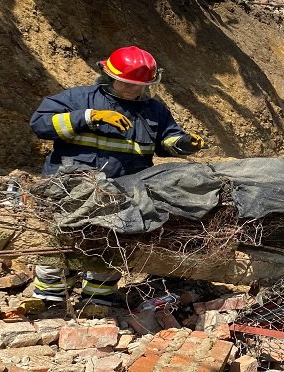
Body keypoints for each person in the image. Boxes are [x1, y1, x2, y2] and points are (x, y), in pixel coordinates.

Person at [29, 46, 208, 307]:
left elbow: (166, 139)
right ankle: (49, 298)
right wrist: (88, 117)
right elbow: (40, 124)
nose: (132, 89)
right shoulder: (79, 99)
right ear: (108, 75)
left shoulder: (153, 110)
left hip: (124, 189)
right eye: (126, 83)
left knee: (112, 241)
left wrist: (185, 143)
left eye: (139, 85)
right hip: (71, 186)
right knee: (61, 240)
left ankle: (97, 300)